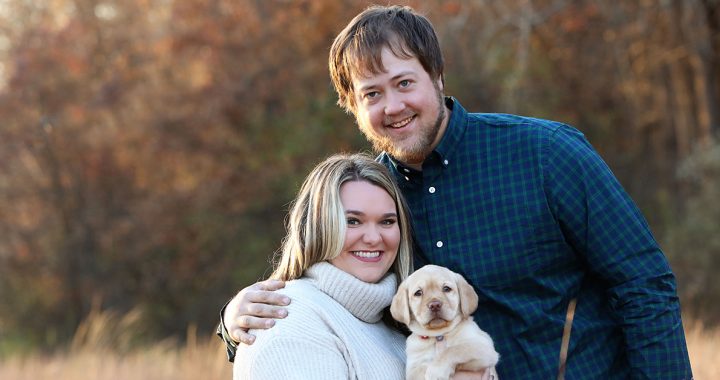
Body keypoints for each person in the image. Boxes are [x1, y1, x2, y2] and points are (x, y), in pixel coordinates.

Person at [219, 5, 693, 379]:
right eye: (372, 94)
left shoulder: (546, 154)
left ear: (437, 76)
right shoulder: (375, 205)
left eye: (405, 83)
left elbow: (644, 284)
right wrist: (234, 322)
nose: (394, 106)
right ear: (352, 107)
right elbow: (339, 304)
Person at [231, 153, 412, 379]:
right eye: (353, 221)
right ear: (319, 227)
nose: (374, 238)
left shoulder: (393, 324)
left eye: (387, 222)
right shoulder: (290, 322)